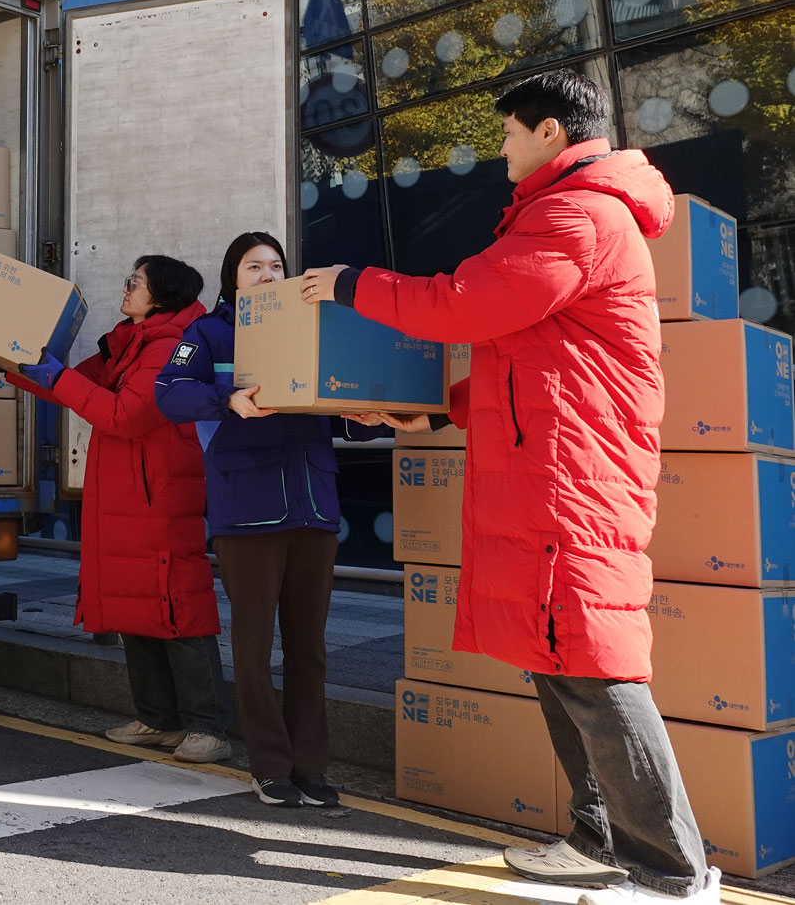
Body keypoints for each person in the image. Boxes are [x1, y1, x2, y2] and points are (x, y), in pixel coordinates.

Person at [299, 69, 718, 904]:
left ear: (551, 130)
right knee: (558, 657)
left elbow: (464, 305)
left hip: (572, 480)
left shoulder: (577, 214)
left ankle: (672, 873)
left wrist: (352, 283)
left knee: (595, 665)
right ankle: (600, 837)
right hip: (554, 471)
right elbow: (521, 362)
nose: (500, 148)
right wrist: (432, 409)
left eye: (507, 132)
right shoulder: (566, 213)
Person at [153, 232, 379, 808]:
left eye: (275, 266)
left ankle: (311, 767)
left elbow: (337, 403)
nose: (266, 275)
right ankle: (270, 766)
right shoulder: (208, 333)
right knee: (254, 650)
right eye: (253, 267)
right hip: (247, 509)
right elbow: (169, 393)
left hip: (312, 506)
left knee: (310, 649)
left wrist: (367, 413)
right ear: (232, 277)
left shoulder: (313, 327)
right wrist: (227, 397)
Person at [7, 256, 231, 764]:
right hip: (131, 495)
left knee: (177, 603)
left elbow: (124, 414)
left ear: (161, 296)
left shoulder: (170, 347)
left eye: (135, 282)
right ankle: (159, 720)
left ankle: (208, 727)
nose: (126, 288)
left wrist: (56, 377)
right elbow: (72, 381)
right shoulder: (132, 341)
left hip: (160, 496)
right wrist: (9, 363)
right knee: (135, 601)